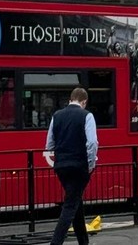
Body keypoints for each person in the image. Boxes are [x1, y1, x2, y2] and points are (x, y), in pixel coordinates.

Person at [46, 87, 99, 245]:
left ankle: (83, 241)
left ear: (70, 99)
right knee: (70, 206)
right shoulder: (87, 116)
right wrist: (90, 164)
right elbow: (92, 143)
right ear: (84, 102)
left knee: (75, 200)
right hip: (79, 166)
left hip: (61, 166)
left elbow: (49, 144)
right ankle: (56, 242)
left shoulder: (56, 115)